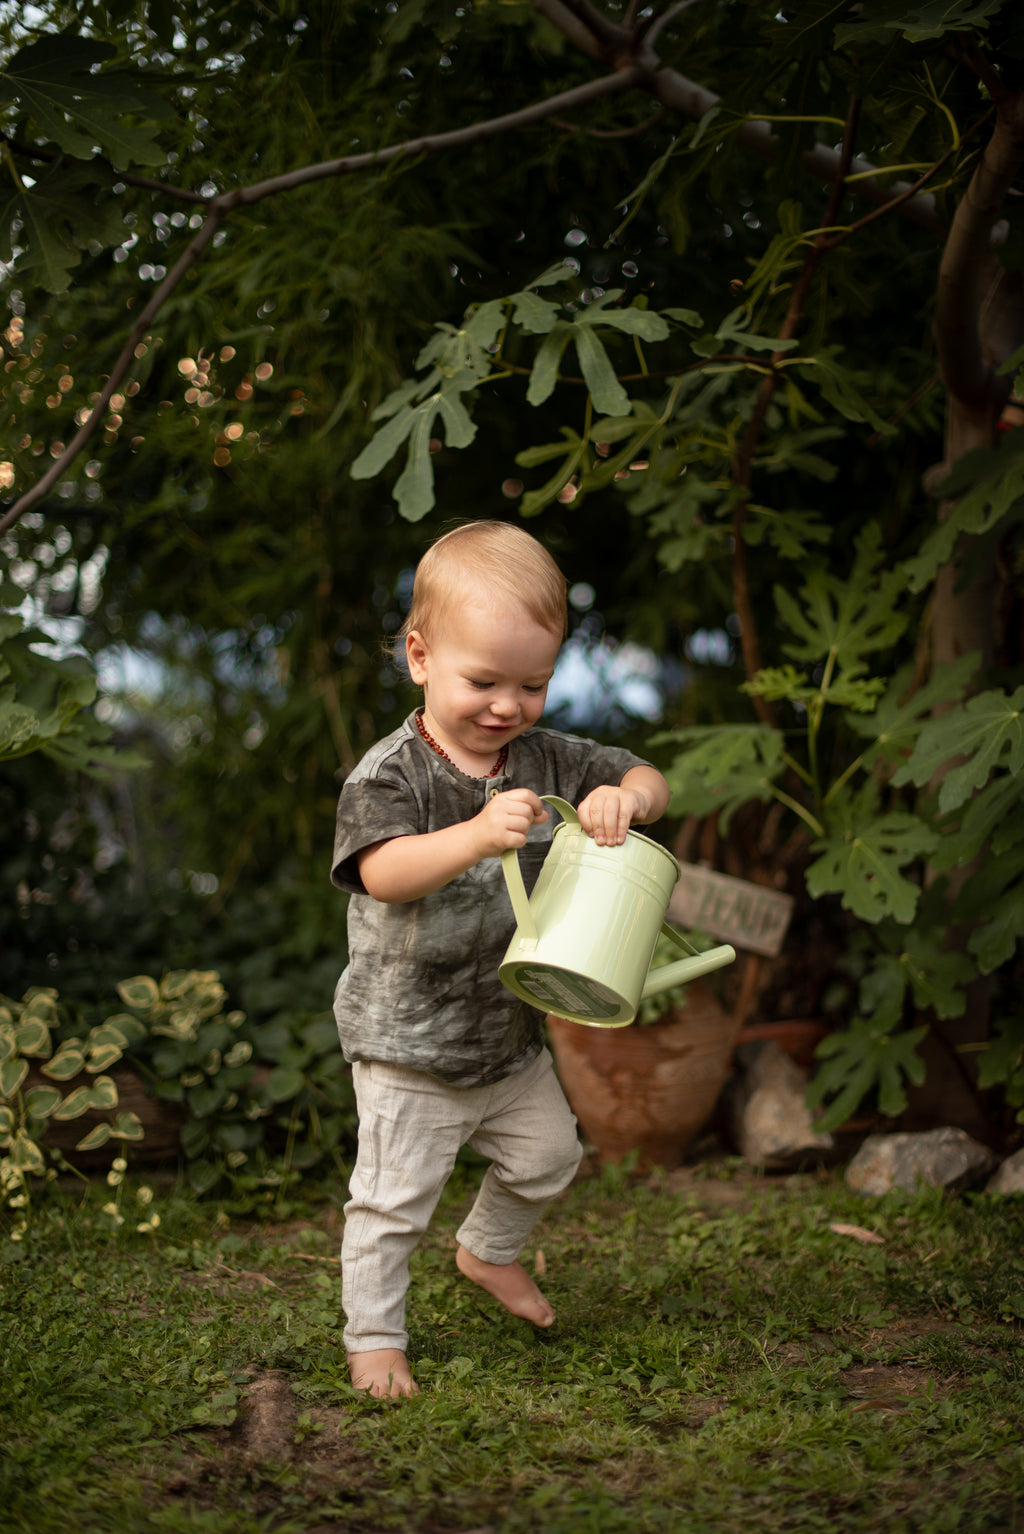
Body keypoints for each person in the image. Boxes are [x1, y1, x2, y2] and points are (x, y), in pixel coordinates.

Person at [330, 520, 671, 1397]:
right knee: (392, 1206)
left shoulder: (547, 755)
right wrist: (476, 834)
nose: (507, 706)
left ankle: (487, 1251)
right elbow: (383, 873)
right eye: (483, 680)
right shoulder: (390, 776)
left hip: (508, 1033)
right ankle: (374, 1338)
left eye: (533, 683)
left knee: (551, 1156)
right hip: (408, 1043)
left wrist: (620, 799)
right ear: (419, 656)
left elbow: (649, 777)